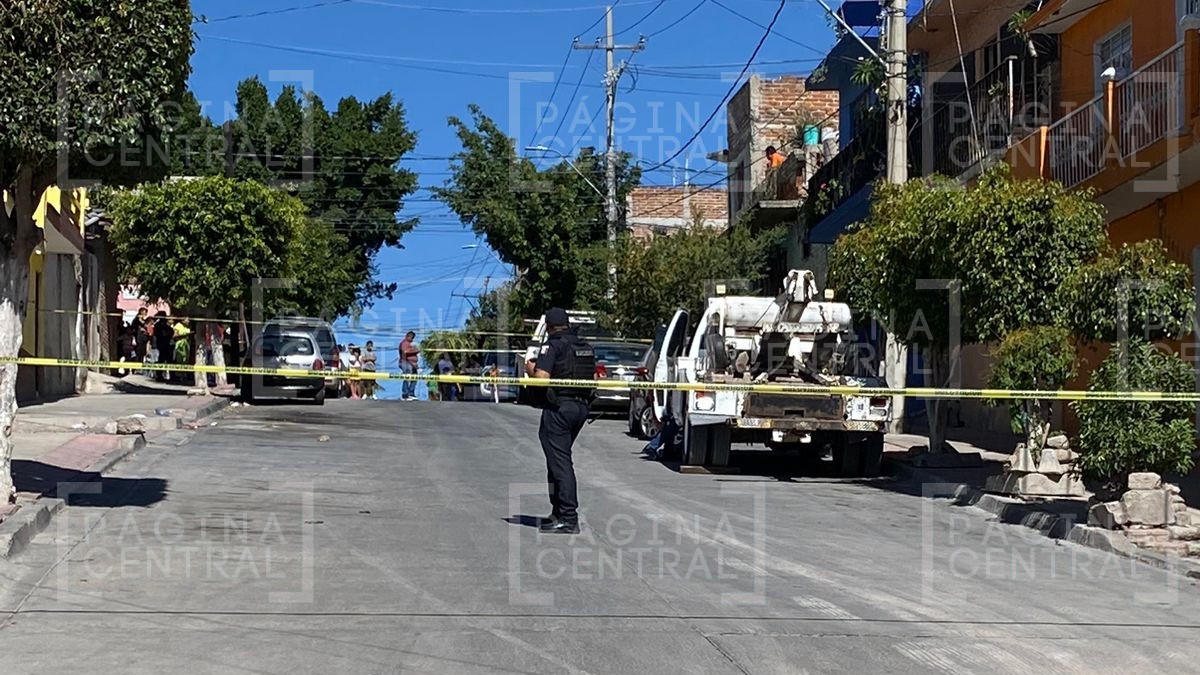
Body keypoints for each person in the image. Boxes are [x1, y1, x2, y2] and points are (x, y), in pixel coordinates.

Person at [526, 307, 595, 534]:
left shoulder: (552, 345)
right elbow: (593, 378)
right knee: (557, 460)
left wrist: (531, 370)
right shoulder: (583, 346)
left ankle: (568, 517)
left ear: (548, 326)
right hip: (581, 407)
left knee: (560, 463)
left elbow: (542, 379)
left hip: (559, 408)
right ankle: (557, 513)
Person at [398, 331, 419, 400]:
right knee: (407, 377)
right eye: (411, 337)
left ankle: (411, 393)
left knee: (415, 377)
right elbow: (405, 351)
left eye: (413, 338)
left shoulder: (410, 344)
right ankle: (405, 394)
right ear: (407, 336)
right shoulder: (404, 343)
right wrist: (415, 350)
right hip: (405, 362)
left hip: (412, 364)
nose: (412, 339)